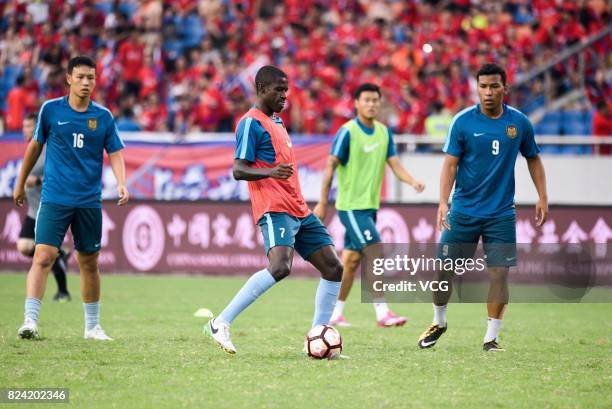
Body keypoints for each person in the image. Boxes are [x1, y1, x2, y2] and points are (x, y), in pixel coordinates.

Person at [204, 65, 343, 355]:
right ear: (261, 89)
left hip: (299, 208)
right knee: (280, 267)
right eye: (278, 90)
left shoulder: (277, 122)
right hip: (274, 207)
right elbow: (239, 170)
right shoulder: (250, 123)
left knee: (333, 268)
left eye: (286, 90)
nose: (284, 96)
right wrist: (271, 171)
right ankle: (221, 321)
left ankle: (317, 336)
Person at [417, 63, 548, 352]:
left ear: (505, 88)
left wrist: (542, 196)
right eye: (483, 86)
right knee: (443, 270)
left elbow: (533, 158)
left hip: (501, 213)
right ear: (477, 88)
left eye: (494, 86)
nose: (488, 92)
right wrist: (442, 202)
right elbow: (449, 165)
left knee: (499, 273)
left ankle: (491, 337)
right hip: (463, 211)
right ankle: (439, 321)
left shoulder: (519, 123)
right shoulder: (462, 122)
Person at [13, 55, 129, 340]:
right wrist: (19, 184)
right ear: (68, 79)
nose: (86, 82)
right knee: (43, 255)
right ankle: (30, 320)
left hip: (89, 200)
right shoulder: (51, 111)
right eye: (80, 77)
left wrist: (122, 182)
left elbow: (115, 151)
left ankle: (92, 327)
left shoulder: (102, 116)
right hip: (54, 198)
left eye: (91, 77)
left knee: (89, 261)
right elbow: (34, 147)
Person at [314, 83, 425, 327]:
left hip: (370, 208)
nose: (372, 104)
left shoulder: (384, 133)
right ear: (356, 103)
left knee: (352, 261)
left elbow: (395, 164)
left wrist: (413, 181)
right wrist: (322, 202)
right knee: (375, 250)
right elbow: (330, 166)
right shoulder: (348, 132)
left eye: (376, 100)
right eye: (367, 100)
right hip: (351, 207)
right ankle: (382, 313)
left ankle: (334, 314)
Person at [16, 112, 71, 302]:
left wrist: (37, 180)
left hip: (47, 209)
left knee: (45, 252)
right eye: (24, 126)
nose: (25, 130)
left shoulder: (48, 150)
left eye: (29, 126)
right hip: (33, 210)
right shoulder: (30, 150)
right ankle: (61, 255)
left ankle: (63, 291)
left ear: (38, 127)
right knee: (24, 246)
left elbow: (61, 175)